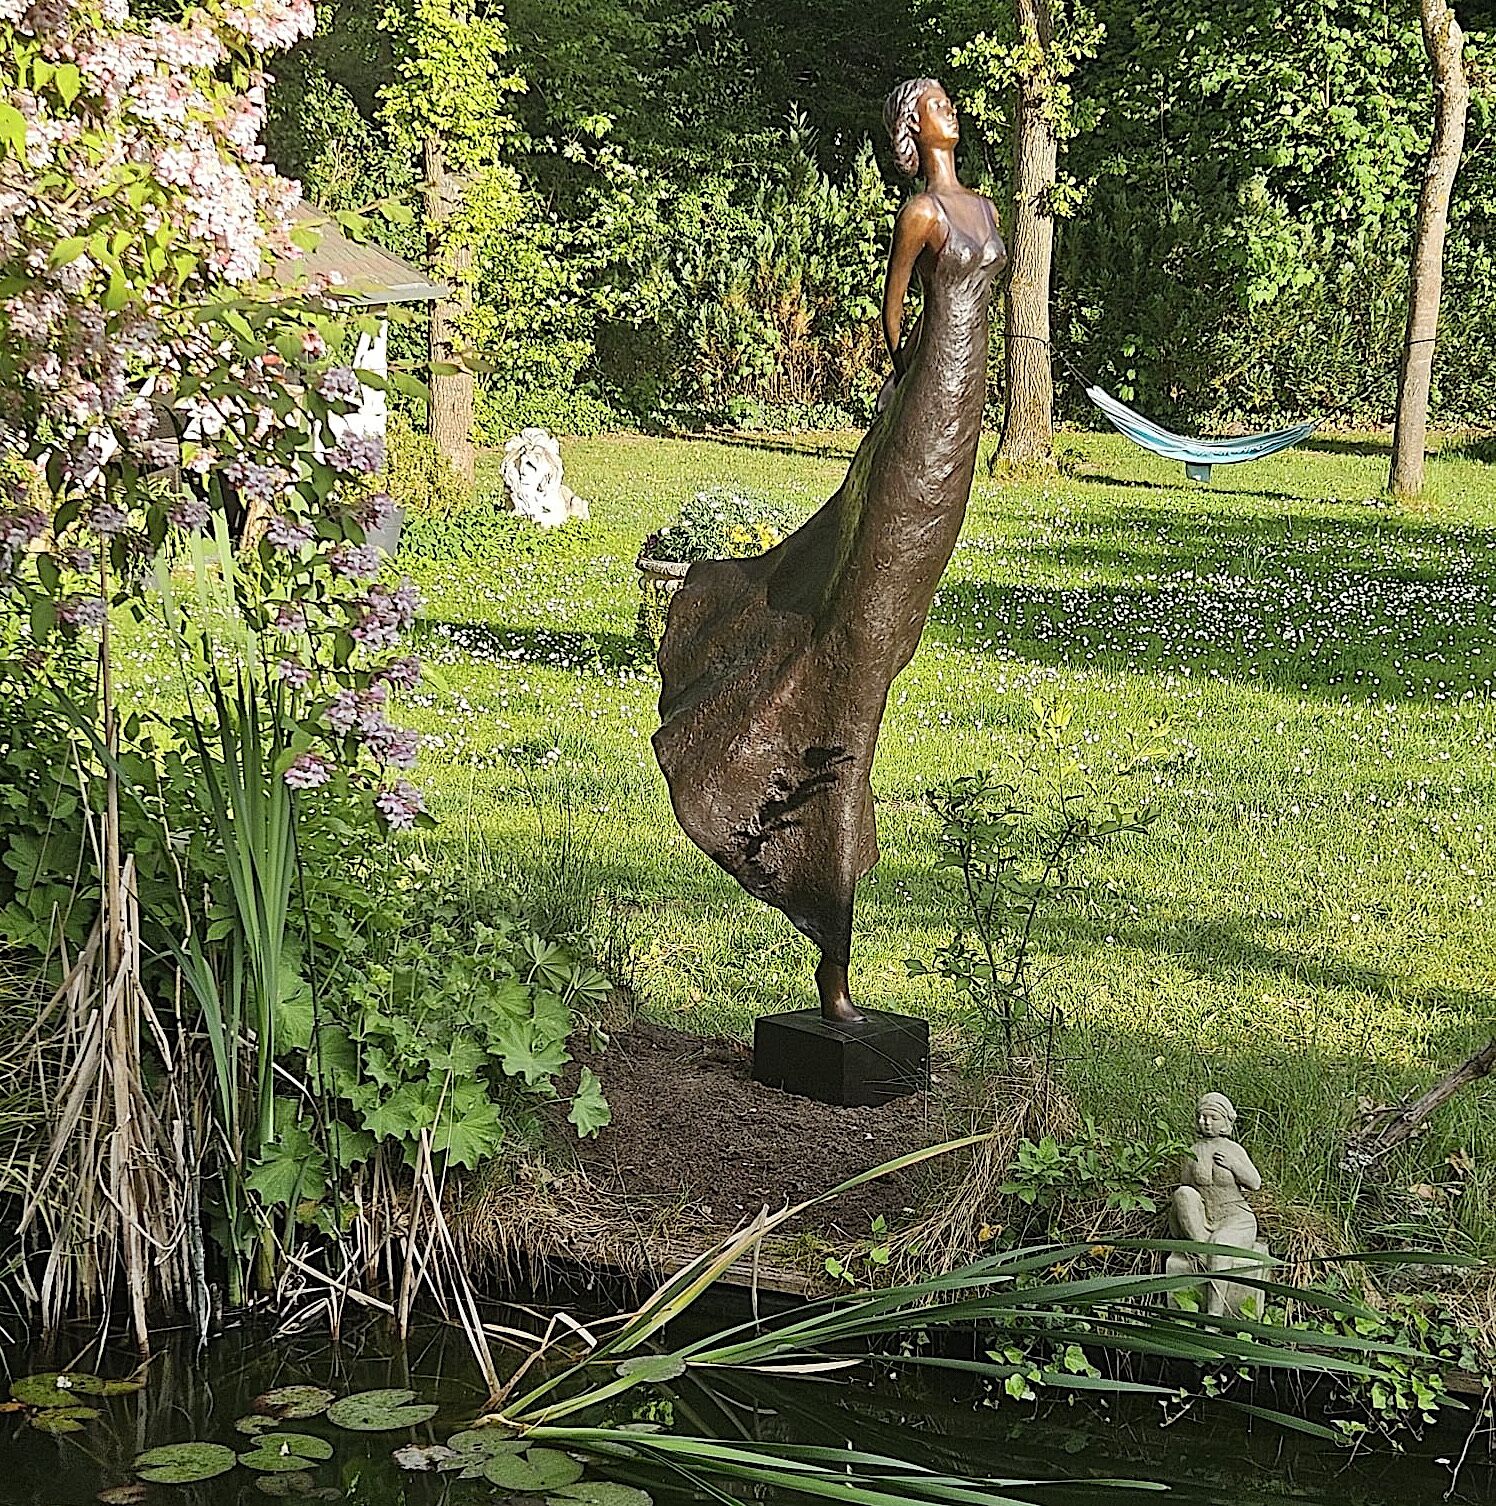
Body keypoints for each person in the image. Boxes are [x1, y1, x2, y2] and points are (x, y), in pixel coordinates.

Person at [653, 79, 1006, 1023]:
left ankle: (833, 898)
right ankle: (825, 916)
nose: (950, 112)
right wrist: (908, 384)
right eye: (932, 104)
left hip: (961, 437)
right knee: (854, 656)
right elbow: (896, 317)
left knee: (882, 647)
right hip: (923, 430)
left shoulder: (985, 206)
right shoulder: (925, 212)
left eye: (949, 102)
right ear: (910, 129)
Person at [1169, 1092, 1266, 1315]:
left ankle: (1214, 1317)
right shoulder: (1193, 1151)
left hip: (1235, 1218)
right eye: (1202, 1117)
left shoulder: (1233, 1150)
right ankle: (1203, 1251)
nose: (1206, 1122)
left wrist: (1234, 1165)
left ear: (1226, 1122)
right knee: (1183, 1193)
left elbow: (1255, 1183)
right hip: (1205, 1219)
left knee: (1220, 1246)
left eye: (1213, 1118)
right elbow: (1186, 1187)